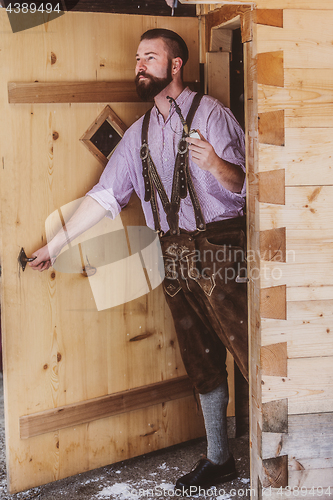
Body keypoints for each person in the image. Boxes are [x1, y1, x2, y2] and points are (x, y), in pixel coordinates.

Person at [30, 28, 248, 494]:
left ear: (175, 66)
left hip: (225, 254)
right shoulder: (138, 136)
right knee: (202, 362)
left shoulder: (213, 116)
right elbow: (104, 197)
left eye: (150, 57)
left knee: (257, 352)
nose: (139, 65)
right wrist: (56, 244)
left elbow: (249, 187)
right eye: (136, 59)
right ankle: (219, 459)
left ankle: (287, 455)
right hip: (174, 260)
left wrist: (213, 164)